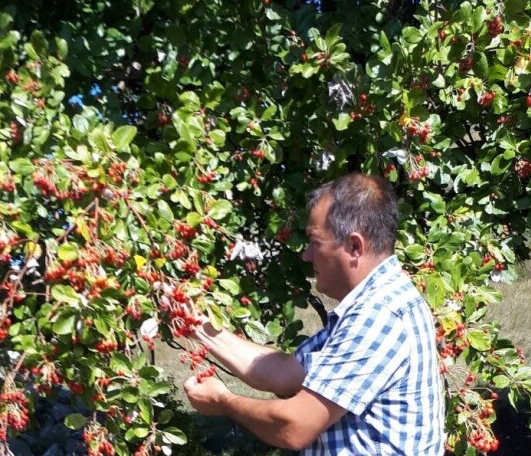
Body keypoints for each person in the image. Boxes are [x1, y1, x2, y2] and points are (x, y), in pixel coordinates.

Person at [183, 173, 444, 454]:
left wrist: (223, 401)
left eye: (315, 242)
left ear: (355, 247)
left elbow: (294, 426)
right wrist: (194, 322)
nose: (306, 256)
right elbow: (283, 372)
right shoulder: (373, 301)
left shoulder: (379, 313)